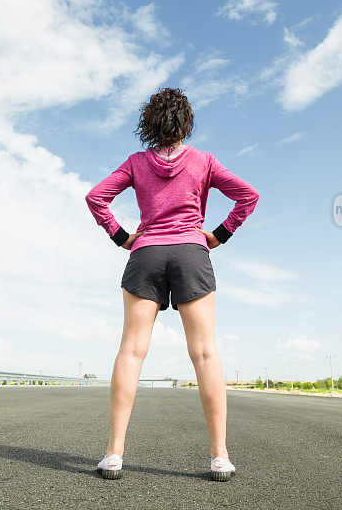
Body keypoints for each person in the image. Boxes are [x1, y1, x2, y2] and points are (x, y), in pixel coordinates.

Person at [85, 87, 260, 481]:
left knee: (131, 352)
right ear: (186, 122)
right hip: (191, 254)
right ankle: (219, 457)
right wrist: (218, 235)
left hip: (145, 253)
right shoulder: (204, 161)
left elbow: (96, 198)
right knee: (205, 353)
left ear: (149, 123)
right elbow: (248, 196)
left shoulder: (135, 162)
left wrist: (120, 236)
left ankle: (114, 454)